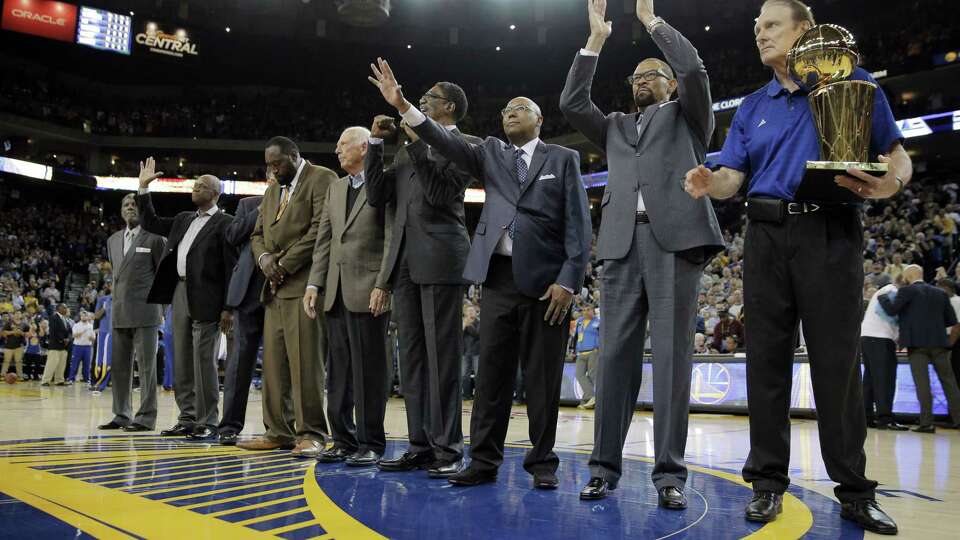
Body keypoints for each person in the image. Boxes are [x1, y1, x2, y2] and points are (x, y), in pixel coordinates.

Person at [683, 0, 909, 533]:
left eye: (771, 25)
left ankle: (854, 490)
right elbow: (731, 178)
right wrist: (707, 183)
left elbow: (896, 153)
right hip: (764, 235)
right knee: (765, 363)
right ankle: (766, 483)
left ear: (806, 30)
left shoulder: (850, 82)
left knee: (836, 365)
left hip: (830, 230)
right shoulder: (752, 106)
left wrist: (891, 182)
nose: (760, 35)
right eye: (757, 28)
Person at [369, 57, 592, 489]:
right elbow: (445, 143)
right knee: (491, 377)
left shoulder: (563, 158)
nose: (509, 113)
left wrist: (568, 280)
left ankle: (543, 465)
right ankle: (483, 461)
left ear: (539, 119)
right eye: (505, 110)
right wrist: (403, 107)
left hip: (547, 284)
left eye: (519, 108)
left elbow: (579, 225)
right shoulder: (490, 152)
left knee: (543, 381)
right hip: (498, 279)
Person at [560, 0, 724, 507]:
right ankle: (603, 468)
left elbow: (693, 66)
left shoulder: (689, 116)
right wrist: (595, 42)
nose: (640, 82)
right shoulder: (613, 126)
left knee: (673, 359)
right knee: (613, 361)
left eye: (650, 74)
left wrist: (651, 23)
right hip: (619, 245)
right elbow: (570, 104)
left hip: (672, 241)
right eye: (633, 77)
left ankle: (670, 475)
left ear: (669, 83)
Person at [365, 81, 480, 478]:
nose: (419, 102)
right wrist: (377, 146)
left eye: (427, 98)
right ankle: (419, 445)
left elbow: (437, 193)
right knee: (411, 356)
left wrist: (414, 142)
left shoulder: (467, 145)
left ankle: (448, 448)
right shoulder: (405, 148)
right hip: (406, 265)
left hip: (442, 258)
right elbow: (378, 197)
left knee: (442, 356)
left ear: (447, 106)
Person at [239, 137, 337, 458]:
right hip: (274, 287)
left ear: (294, 156)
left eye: (277, 163)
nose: (272, 169)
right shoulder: (272, 190)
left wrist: (284, 263)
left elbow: (322, 228)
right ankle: (277, 431)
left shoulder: (321, 178)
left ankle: (312, 432)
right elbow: (256, 235)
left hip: (305, 284)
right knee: (273, 367)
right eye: (268, 164)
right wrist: (265, 259)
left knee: (305, 363)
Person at [304, 126, 395, 466]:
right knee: (338, 371)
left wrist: (383, 284)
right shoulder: (336, 188)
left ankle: (371, 442)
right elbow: (324, 240)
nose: (338, 150)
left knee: (369, 371)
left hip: (369, 290)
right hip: (335, 292)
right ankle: (342, 439)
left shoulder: (383, 183)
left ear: (363, 148)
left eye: (344, 144)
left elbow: (390, 238)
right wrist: (315, 284)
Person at [137, 157, 237, 442]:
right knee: (180, 357)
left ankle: (208, 420)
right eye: (195, 185)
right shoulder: (183, 219)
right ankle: (187, 418)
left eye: (202, 186)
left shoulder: (225, 223)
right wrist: (143, 189)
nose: (196, 188)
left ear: (215, 194)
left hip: (209, 297)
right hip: (179, 292)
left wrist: (228, 306)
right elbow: (151, 222)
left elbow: (231, 267)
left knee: (204, 361)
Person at [98, 193, 166, 432]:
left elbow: (163, 278)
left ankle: (146, 417)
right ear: (121, 211)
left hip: (147, 313)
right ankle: (121, 414)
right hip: (118, 313)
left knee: (147, 368)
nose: (130, 208)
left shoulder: (156, 239)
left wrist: (163, 312)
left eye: (134, 204)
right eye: (126, 204)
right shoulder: (113, 240)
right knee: (119, 367)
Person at [878, 265, 960, 433]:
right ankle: (958, 420)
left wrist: (883, 298)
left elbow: (892, 310)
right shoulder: (941, 293)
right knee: (949, 383)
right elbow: (951, 320)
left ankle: (927, 423)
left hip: (917, 345)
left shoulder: (906, 291)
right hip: (940, 343)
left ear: (908, 276)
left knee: (923, 384)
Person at [218, 181, 270, 446]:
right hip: (247, 291)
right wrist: (262, 207)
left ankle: (276, 429)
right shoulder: (248, 204)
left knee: (277, 365)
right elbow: (233, 235)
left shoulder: (296, 204)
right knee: (239, 363)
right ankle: (229, 425)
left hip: (279, 290)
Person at [860, 275, 907, 430]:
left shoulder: (884, 290)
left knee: (870, 379)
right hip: (880, 338)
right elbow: (891, 313)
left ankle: (866, 417)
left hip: (868, 337)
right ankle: (885, 418)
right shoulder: (892, 290)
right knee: (884, 379)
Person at [572, 303, 600, 410]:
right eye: (584, 310)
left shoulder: (598, 322)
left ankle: (585, 401)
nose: (586, 312)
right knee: (579, 375)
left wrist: (599, 348)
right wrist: (573, 350)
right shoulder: (579, 322)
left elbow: (603, 336)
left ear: (593, 311)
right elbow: (576, 336)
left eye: (588, 309)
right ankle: (591, 397)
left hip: (593, 352)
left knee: (592, 376)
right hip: (581, 353)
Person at [41, 304, 72, 386]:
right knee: (51, 364)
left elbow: (69, 331)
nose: (66, 309)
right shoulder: (53, 318)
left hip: (64, 346)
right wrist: (62, 339)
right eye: (64, 308)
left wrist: (68, 339)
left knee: (61, 364)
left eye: (66, 308)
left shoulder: (65, 319)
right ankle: (45, 381)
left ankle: (59, 380)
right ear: (59, 309)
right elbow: (54, 331)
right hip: (55, 345)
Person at [67, 311, 95, 384]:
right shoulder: (76, 325)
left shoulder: (91, 326)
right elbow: (74, 335)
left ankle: (86, 379)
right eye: (82, 316)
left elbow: (93, 338)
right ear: (80, 316)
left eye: (85, 316)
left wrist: (91, 337)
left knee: (87, 364)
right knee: (74, 364)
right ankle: (71, 378)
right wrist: (83, 331)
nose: (84, 317)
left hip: (87, 347)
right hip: (77, 346)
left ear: (87, 317)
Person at [1, 311, 28, 381]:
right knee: (6, 361)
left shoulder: (24, 324)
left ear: (21, 315)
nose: (18, 315)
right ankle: (2, 375)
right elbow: (3, 332)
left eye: (19, 313)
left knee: (19, 361)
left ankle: (20, 376)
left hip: (19, 346)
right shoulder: (9, 323)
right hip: (8, 346)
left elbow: (28, 334)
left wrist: (22, 333)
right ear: (13, 315)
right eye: (16, 314)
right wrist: (14, 332)